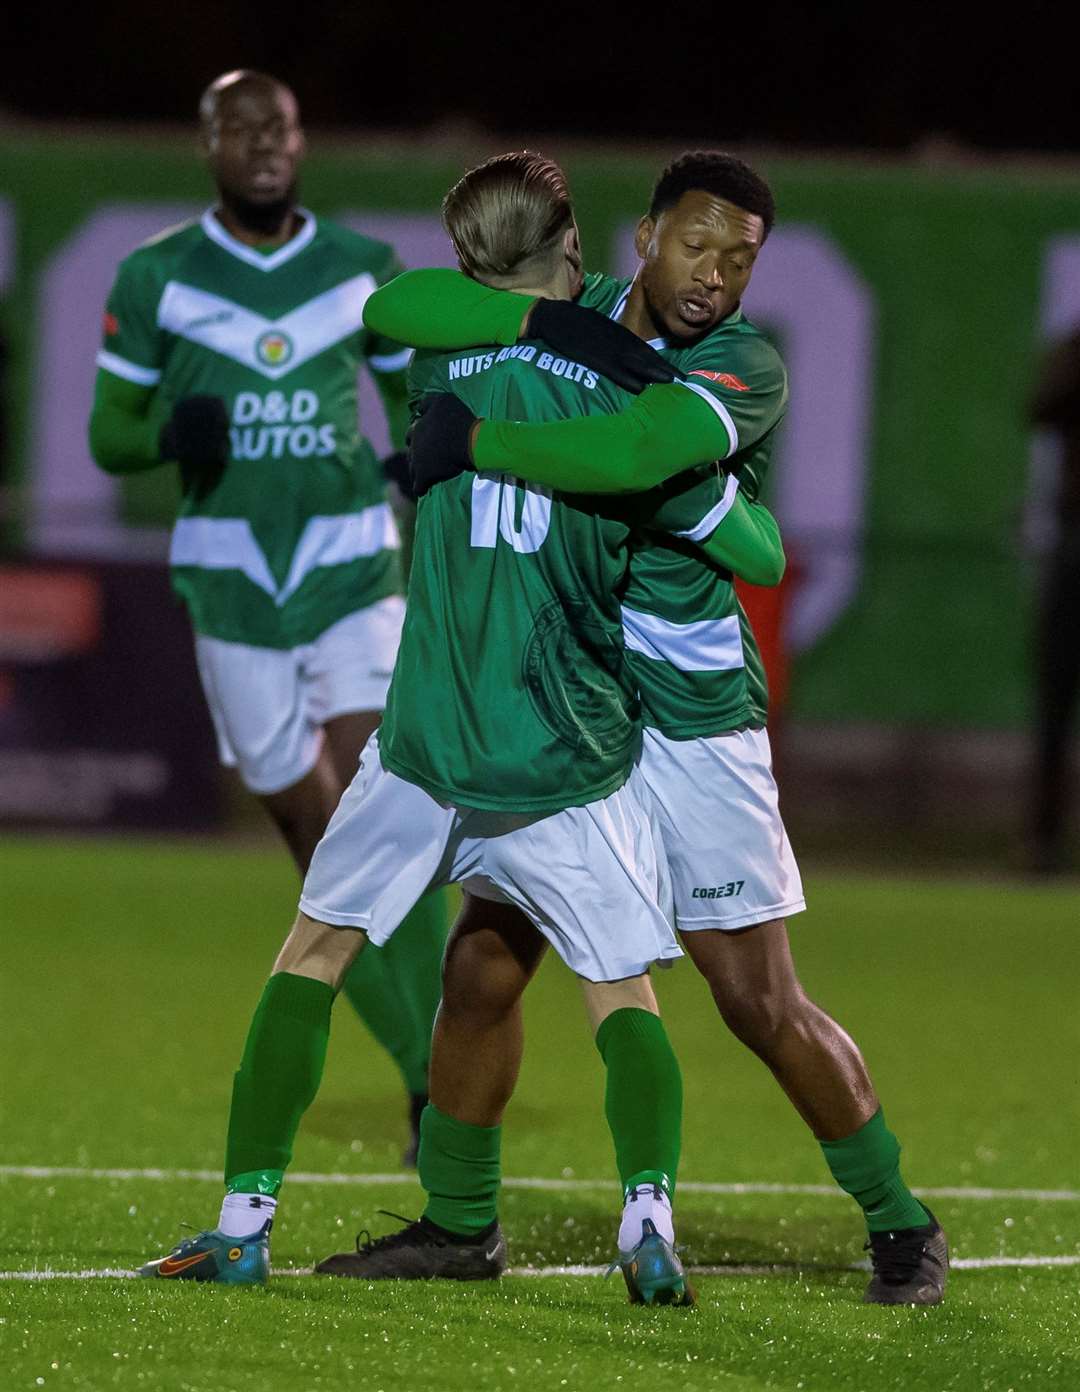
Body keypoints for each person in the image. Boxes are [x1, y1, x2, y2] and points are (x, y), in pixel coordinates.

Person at [136, 151, 785, 1306]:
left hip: (426, 740)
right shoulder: (629, 394)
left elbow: (397, 305)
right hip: (563, 748)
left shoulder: (435, 362)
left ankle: (242, 1224)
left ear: (469, 259)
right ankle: (648, 1221)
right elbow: (757, 551)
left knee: (312, 956)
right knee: (621, 992)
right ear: (578, 252)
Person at [368, 150, 949, 1307]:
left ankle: (901, 1220)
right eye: (698, 243)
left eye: (743, 259)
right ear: (643, 236)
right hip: (575, 702)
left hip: (690, 723)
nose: (717, 275)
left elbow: (634, 454)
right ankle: (458, 1220)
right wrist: (555, 330)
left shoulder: (742, 367)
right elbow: (397, 309)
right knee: (483, 962)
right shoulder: (570, 308)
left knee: (755, 1001)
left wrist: (478, 441)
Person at [87, 69, 447, 1164]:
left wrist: (423, 457)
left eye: (278, 125)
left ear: (300, 140)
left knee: (390, 793)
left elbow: (416, 392)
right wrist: (169, 439)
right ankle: (425, 1064)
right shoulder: (156, 276)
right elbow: (111, 432)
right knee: (314, 832)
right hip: (232, 580)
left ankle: (438, 1090)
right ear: (206, 144)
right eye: (239, 127)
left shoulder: (361, 270)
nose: (261, 143)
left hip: (349, 563)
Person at [1029, 328, 1080, 873]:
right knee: (1055, 702)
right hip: (1073, 546)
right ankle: (1042, 839)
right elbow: (1041, 409)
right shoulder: (1075, 354)